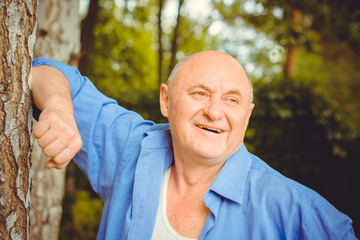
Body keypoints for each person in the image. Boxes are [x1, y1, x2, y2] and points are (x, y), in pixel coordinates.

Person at [31, 51, 357, 239]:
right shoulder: (132, 149)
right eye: (200, 93)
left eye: (232, 100)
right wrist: (59, 106)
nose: (214, 111)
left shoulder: (291, 208)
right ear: (166, 100)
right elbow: (45, 71)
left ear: (246, 116)